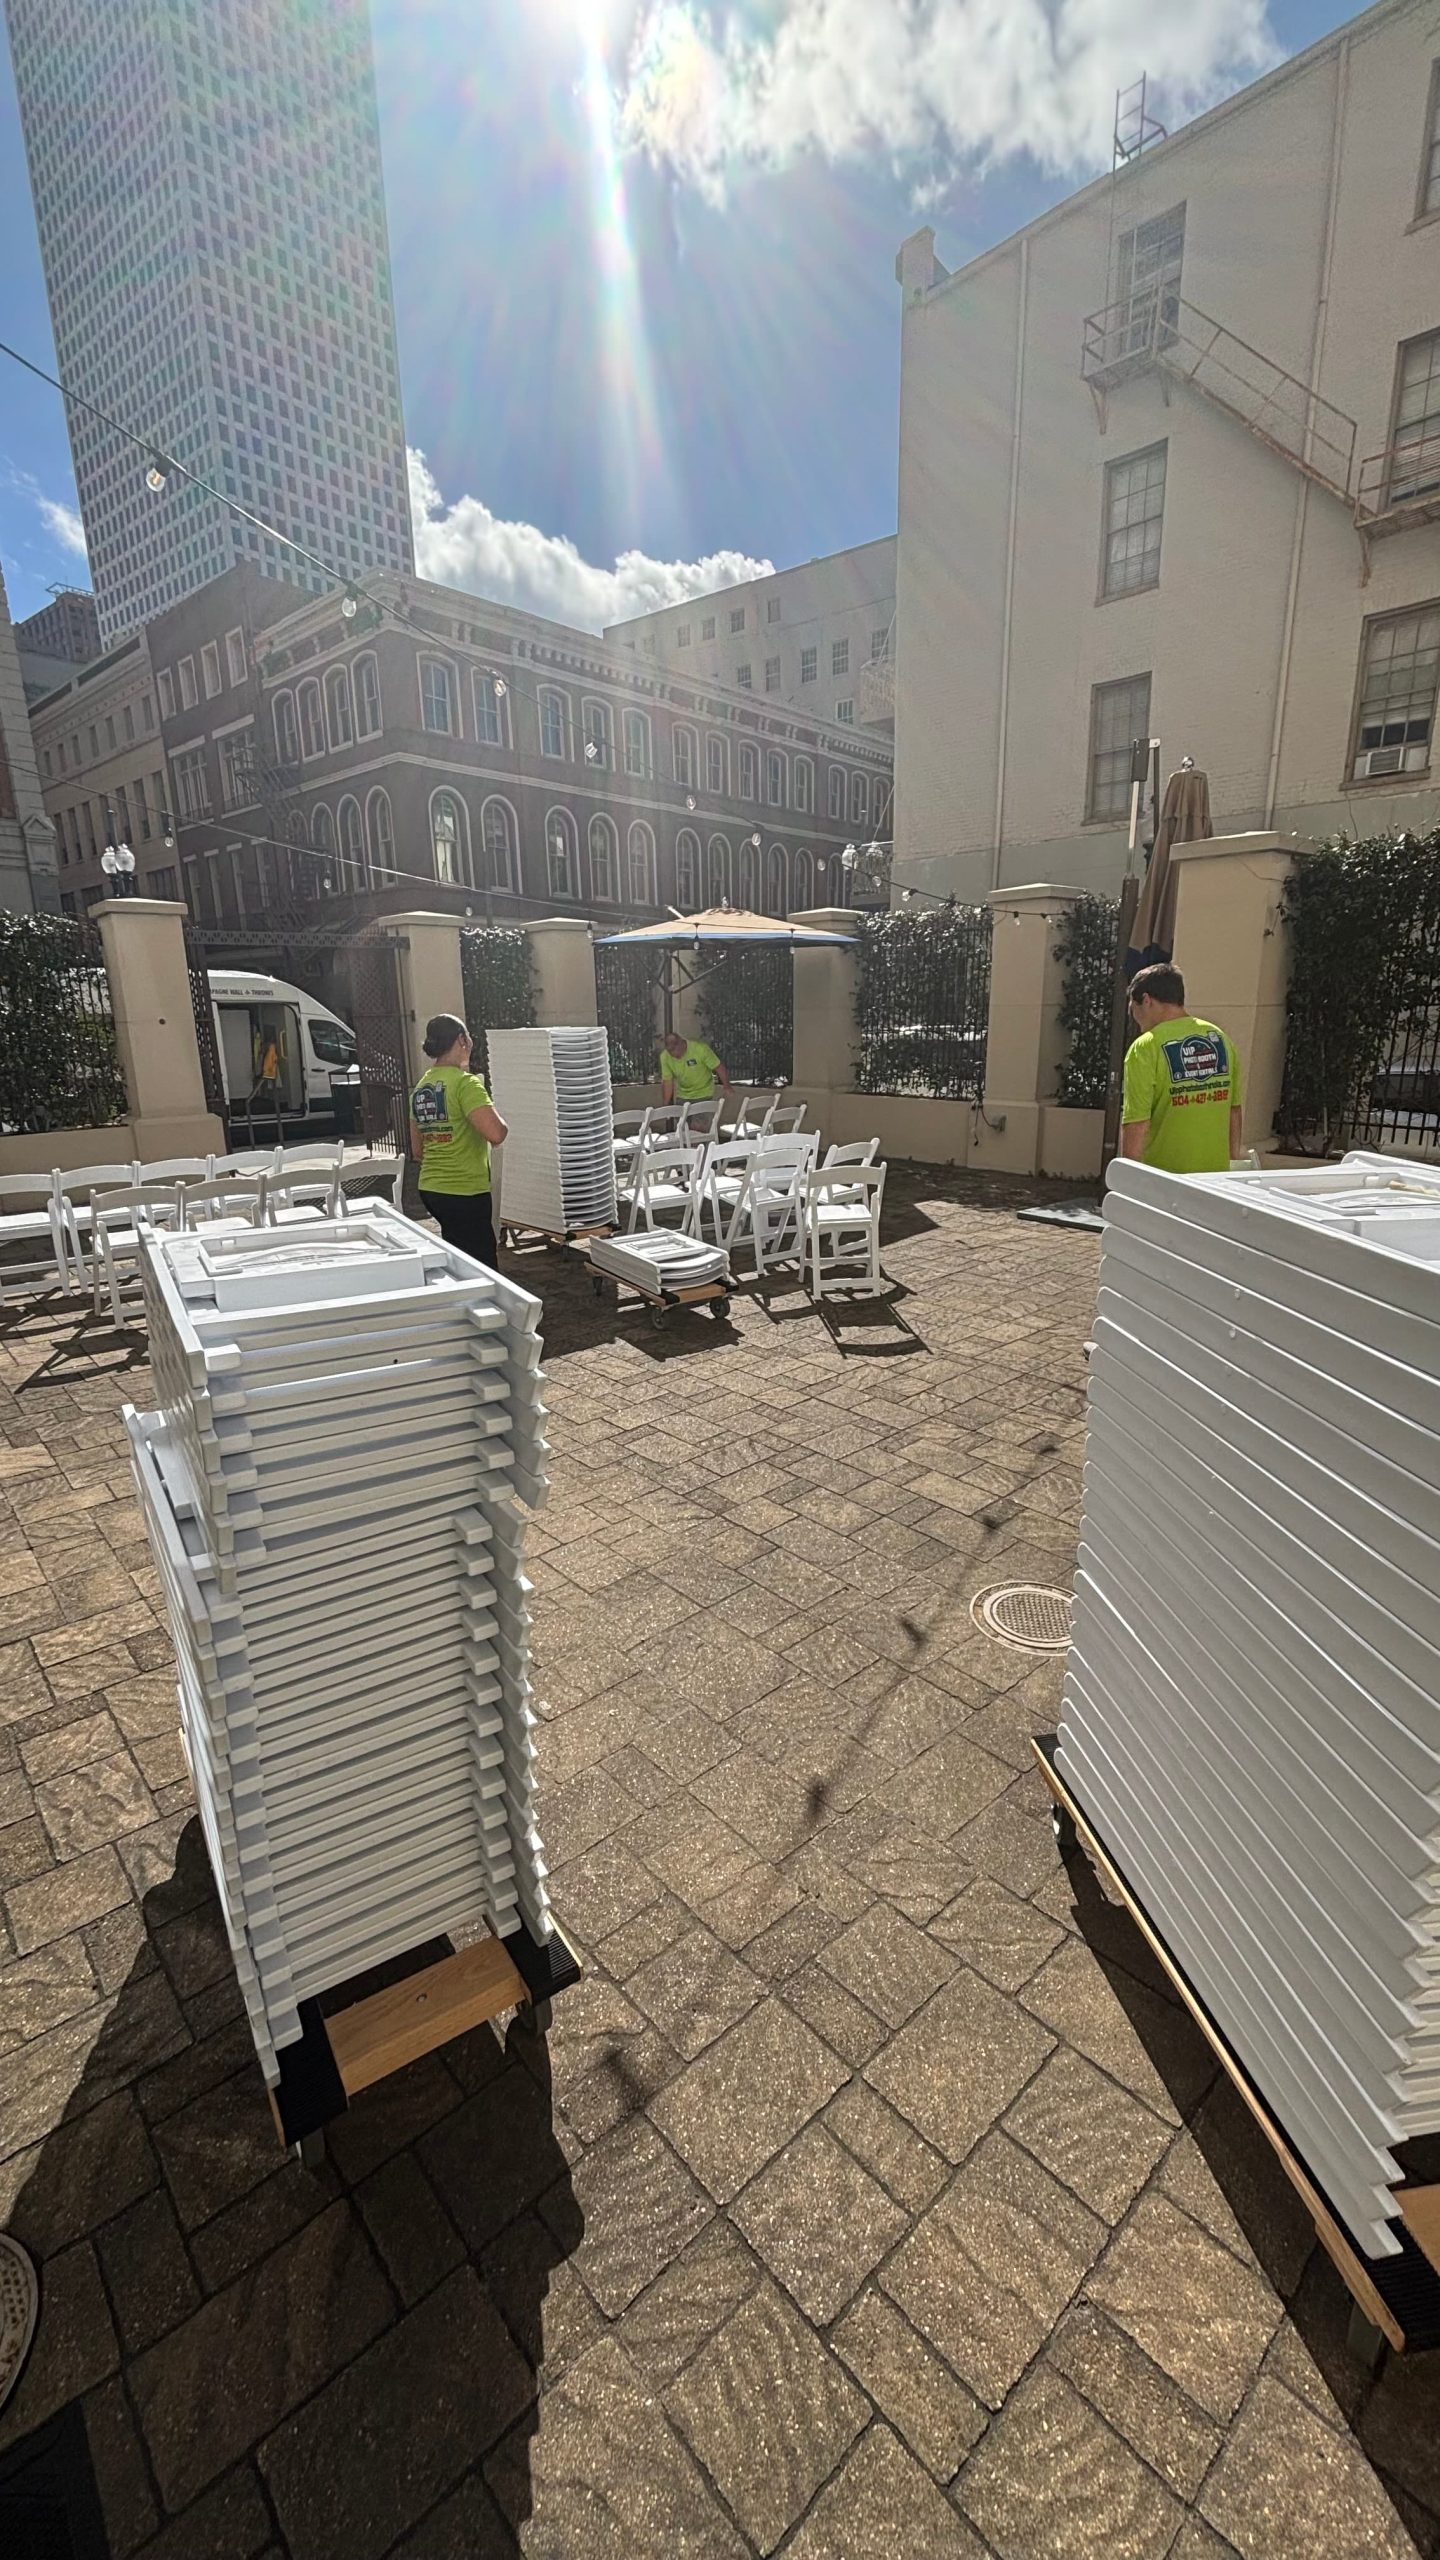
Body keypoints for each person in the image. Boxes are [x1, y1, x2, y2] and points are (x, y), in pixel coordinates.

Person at [1121, 963, 1243, 1175]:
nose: (1134, 1017)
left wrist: (1129, 1180)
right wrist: (1232, 1163)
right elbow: (1234, 1110)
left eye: (1133, 1008)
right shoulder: (1220, 1039)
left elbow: (1137, 1124)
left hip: (1165, 1182)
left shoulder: (1145, 1048)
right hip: (1216, 1181)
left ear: (1147, 1001)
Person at [409, 1013, 508, 1268]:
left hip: (432, 1188)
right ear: (461, 1040)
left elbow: (417, 1150)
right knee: (483, 1265)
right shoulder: (466, 1085)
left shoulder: (421, 1088)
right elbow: (497, 1133)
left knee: (457, 1257)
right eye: (470, 1038)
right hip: (465, 1190)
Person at [658, 1028, 732, 1109]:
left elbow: (718, 1067)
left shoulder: (700, 1049)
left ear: (681, 1043)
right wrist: (665, 1104)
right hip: (683, 1095)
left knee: (699, 1121)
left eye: (676, 1051)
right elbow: (667, 1081)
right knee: (681, 1121)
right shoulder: (665, 1056)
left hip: (704, 1093)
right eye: (670, 1052)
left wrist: (727, 1086)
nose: (674, 1055)